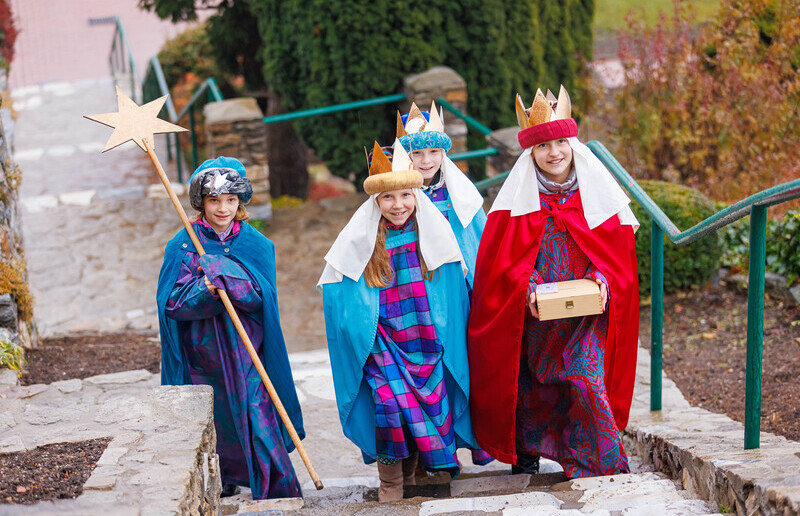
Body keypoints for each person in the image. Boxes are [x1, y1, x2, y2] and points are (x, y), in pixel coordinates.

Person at [467, 87, 640, 478]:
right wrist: (525, 285)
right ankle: (526, 449)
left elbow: (617, 257)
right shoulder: (515, 204)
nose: (554, 152)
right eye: (543, 146)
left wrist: (601, 279)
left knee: (585, 379)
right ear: (531, 153)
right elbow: (500, 265)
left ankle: (599, 466)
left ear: (573, 144)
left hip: (587, 317)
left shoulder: (597, 195)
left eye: (561, 142)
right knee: (533, 384)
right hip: (535, 317)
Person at [319, 141, 480, 502]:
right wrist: (362, 332)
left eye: (405, 195)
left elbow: (452, 291)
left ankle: (414, 471)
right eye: (387, 198)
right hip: (383, 341)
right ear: (375, 201)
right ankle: (390, 479)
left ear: (415, 195)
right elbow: (340, 292)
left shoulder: (432, 232)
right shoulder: (362, 239)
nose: (398, 205)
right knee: (389, 406)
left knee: (428, 407)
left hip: (425, 339)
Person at [157, 157, 304, 499]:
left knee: (256, 411)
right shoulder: (182, 245)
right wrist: (204, 289)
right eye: (214, 200)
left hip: (248, 350)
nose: (223, 209)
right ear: (201, 202)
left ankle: (277, 489)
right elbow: (171, 305)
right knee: (217, 417)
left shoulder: (255, 244)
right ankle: (224, 479)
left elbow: (262, 298)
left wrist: (229, 278)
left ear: (240, 201)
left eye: (230, 200)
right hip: (203, 356)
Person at [398, 102, 486, 288]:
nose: (426, 160)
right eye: (417, 153)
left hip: (461, 276)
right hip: (422, 279)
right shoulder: (400, 197)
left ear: (443, 153)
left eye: (433, 151)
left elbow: (482, 238)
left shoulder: (460, 192)